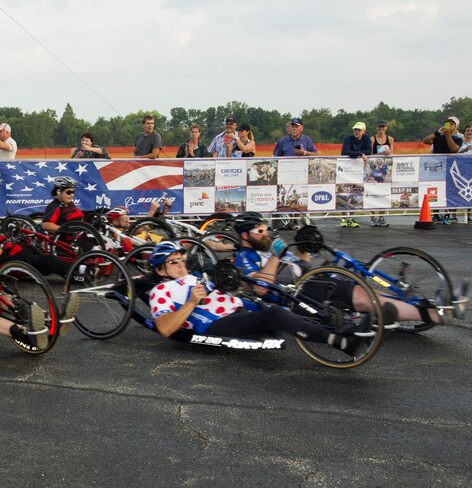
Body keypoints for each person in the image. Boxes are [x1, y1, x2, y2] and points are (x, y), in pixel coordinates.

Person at [229, 212, 468, 329]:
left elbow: (302, 264)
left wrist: (305, 247)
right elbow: (259, 288)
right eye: (259, 231)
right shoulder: (243, 257)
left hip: (314, 278)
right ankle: (436, 314)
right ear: (245, 235)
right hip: (301, 294)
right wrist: (274, 258)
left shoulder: (271, 245)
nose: (266, 234)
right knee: (365, 298)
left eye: (265, 229)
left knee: (370, 291)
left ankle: (432, 305)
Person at [147, 241, 368, 354]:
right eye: (173, 262)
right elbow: (165, 328)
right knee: (276, 315)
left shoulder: (193, 277)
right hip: (215, 323)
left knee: (286, 302)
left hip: (240, 305)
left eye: (181, 259)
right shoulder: (162, 291)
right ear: (160, 270)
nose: (180, 265)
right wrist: (191, 302)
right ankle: (341, 342)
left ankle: (344, 324)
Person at [0, 210, 74, 278]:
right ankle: (79, 271)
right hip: (13, 260)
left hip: (22, 250)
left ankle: (77, 268)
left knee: (54, 255)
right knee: (49, 260)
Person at [421, 116, 463, 223]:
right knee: (435, 189)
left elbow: (453, 149)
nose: (448, 126)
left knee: (449, 190)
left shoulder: (458, 138)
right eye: (447, 123)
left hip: (450, 168)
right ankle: (435, 214)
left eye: (451, 124)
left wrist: (448, 135)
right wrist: (437, 133)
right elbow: (425, 141)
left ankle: (448, 214)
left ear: (456, 126)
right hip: (436, 167)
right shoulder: (438, 136)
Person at [339, 121, 371, 228]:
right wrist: (360, 154)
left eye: (358, 130)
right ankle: (343, 218)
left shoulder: (366, 138)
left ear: (363, 131)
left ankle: (351, 218)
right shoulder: (348, 139)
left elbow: (369, 150)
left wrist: (358, 153)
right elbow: (345, 151)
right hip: (346, 169)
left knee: (354, 193)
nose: (356, 131)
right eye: (355, 130)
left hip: (359, 171)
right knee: (344, 193)